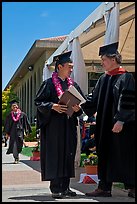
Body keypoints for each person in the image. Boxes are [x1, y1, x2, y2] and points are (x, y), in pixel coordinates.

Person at [81, 42, 135, 198]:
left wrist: (121, 120)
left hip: (122, 127)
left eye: (103, 59)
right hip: (104, 126)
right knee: (104, 153)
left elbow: (128, 101)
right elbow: (93, 101)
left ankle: (132, 187)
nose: (102, 63)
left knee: (125, 155)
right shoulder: (103, 79)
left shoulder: (127, 77)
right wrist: (80, 103)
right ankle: (104, 187)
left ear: (113, 59)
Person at [34, 51, 85, 199]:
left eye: (72, 67)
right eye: (69, 66)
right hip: (54, 128)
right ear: (59, 67)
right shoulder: (48, 84)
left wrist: (78, 109)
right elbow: (38, 102)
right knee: (56, 155)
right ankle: (56, 188)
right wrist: (52, 106)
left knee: (68, 154)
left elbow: (81, 106)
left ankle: (66, 187)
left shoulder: (73, 85)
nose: (71, 69)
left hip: (69, 126)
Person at [3, 99, 32, 164]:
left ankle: (17, 155)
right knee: (14, 145)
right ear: (11, 107)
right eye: (13, 106)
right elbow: (7, 124)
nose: (14, 107)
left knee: (19, 144)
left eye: (15, 106)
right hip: (13, 132)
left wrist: (27, 131)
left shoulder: (22, 114)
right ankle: (16, 157)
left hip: (20, 132)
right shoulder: (9, 116)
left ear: (17, 106)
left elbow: (26, 123)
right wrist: (7, 133)